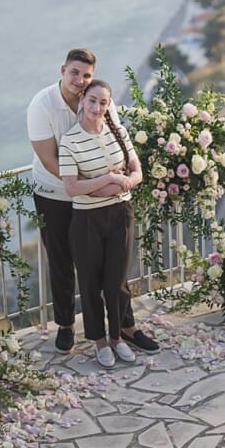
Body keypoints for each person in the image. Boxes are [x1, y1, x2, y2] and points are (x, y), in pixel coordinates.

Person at [27, 50, 160, 356]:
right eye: (74, 73)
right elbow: (50, 161)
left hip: (100, 196)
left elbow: (116, 141)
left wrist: (112, 184)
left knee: (113, 267)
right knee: (62, 261)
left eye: (86, 75)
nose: (80, 80)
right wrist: (94, 188)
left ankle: (125, 326)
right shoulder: (42, 105)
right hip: (55, 193)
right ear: (62, 70)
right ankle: (65, 325)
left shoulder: (98, 99)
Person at [58, 79, 144, 367]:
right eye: (92, 100)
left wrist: (123, 183)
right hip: (87, 220)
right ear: (83, 99)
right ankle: (100, 341)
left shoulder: (118, 132)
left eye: (103, 102)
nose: (97, 107)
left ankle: (118, 338)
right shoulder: (70, 141)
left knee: (116, 282)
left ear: (109, 105)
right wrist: (110, 179)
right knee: (90, 283)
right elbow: (72, 188)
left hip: (121, 214)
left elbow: (137, 171)